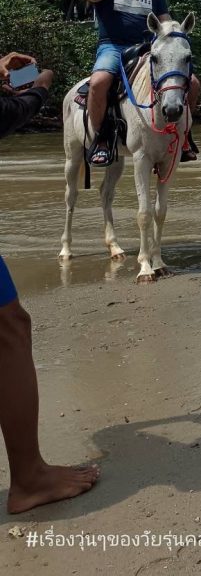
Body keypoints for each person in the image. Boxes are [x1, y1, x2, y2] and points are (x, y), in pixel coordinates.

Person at [0, 51, 100, 513]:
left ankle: (184, 139)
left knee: (186, 78)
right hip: (111, 52)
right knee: (10, 328)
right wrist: (40, 87)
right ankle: (29, 478)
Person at [83, 0, 201, 166]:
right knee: (99, 81)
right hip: (113, 46)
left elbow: (166, 26)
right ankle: (101, 140)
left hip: (147, 49)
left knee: (193, 83)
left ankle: (183, 136)